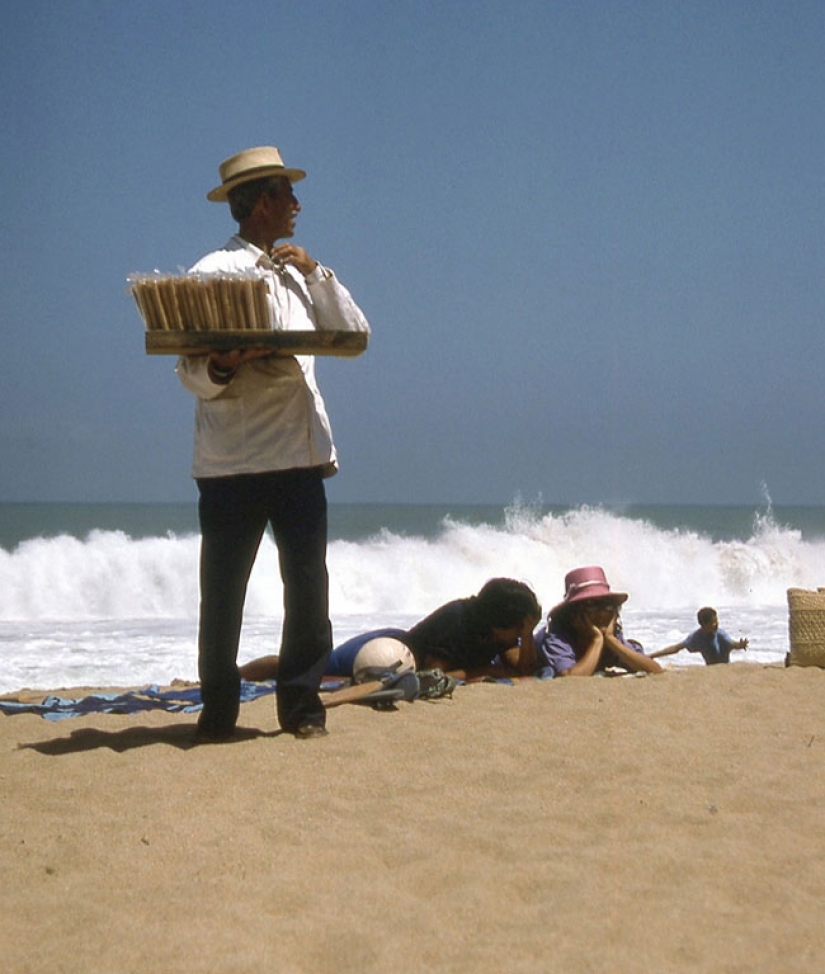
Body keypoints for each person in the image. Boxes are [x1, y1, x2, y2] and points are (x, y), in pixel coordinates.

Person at [176, 146, 370, 741]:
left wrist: (316, 272)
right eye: (287, 196)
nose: (297, 206)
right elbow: (189, 371)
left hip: (299, 456)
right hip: (232, 462)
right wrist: (226, 365)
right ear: (262, 202)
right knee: (224, 595)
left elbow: (355, 332)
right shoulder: (210, 272)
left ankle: (303, 708)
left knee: (308, 590)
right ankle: (218, 712)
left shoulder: (298, 272)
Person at [239, 578, 542, 683]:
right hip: (389, 648)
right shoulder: (458, 620)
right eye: (519, 626)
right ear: (498, 619)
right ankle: (235, 675)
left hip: (398, 662)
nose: (520, 634)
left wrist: (526, 636)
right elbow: (436, 673)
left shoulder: (500, 634)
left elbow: (522, 669)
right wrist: (485, 671)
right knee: (303, 665)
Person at [534, 565, 663, 677]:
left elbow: (654, 669)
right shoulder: (557, 636)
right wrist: (597, 641)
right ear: (573, 612)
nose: (601, 613)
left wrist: (612, 641)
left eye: (608, 606)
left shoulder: (611, 635)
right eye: (592, 606)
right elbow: (571, 678)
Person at [650, 607, 748, 665]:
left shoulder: (721, 635)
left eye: (716, 620)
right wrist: (652, 656)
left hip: (726, 669)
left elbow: (732, 644)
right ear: (703, 625)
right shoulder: (696, 638)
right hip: (710, 671)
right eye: (712, 622)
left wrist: (741, 645)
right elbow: (676, 648)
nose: (716, 624)